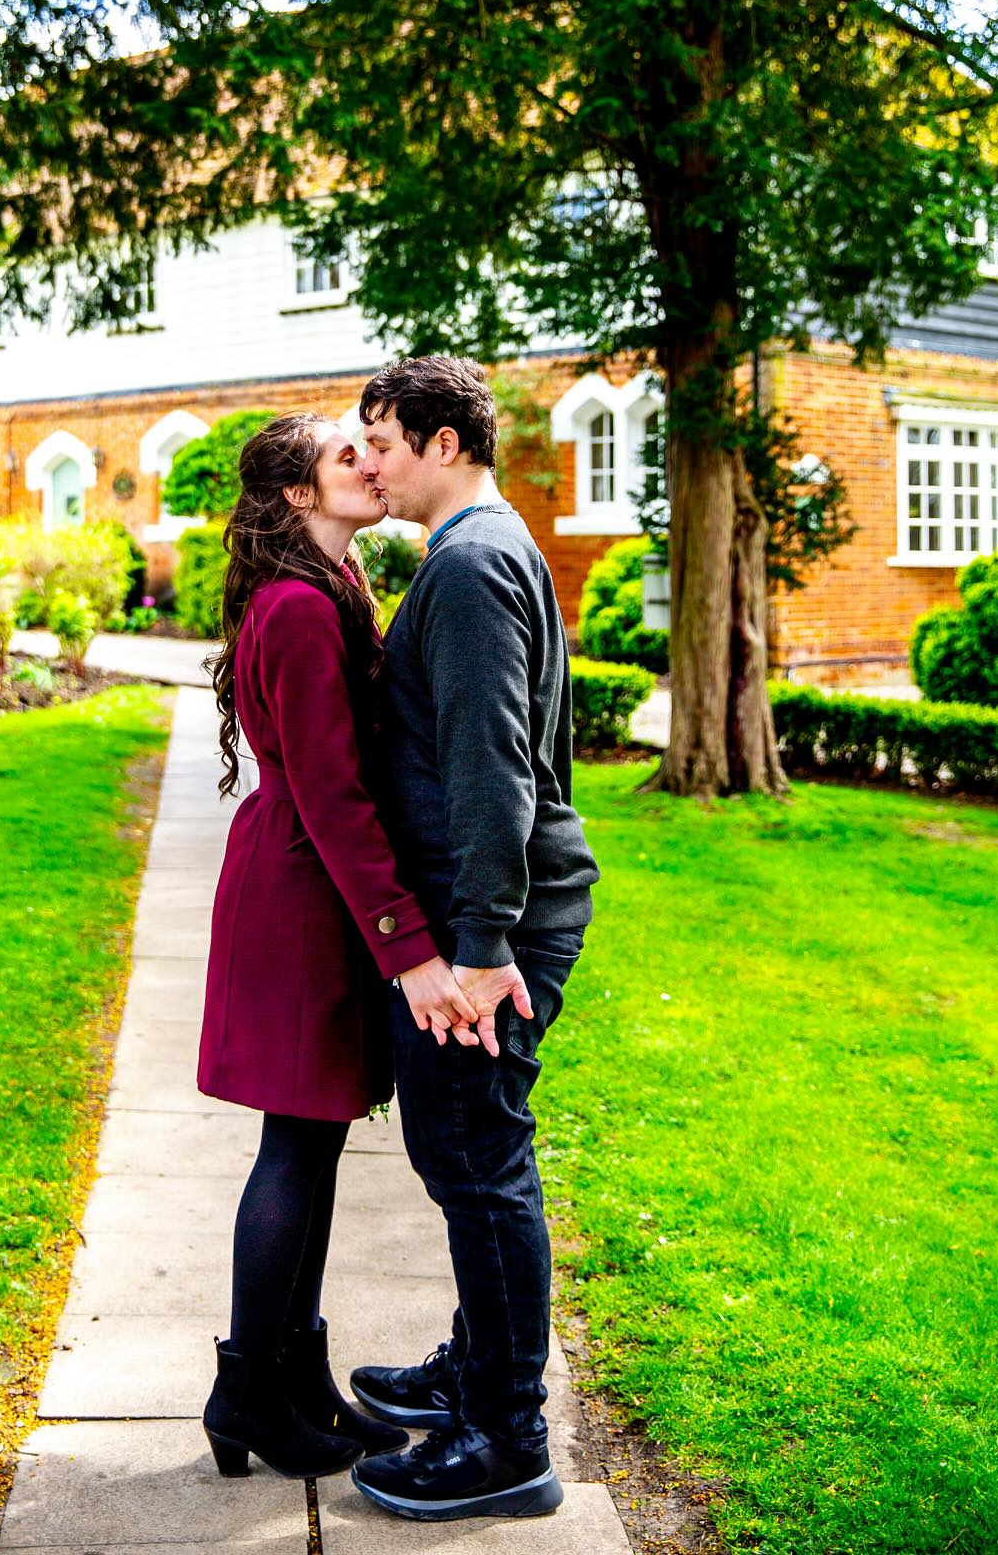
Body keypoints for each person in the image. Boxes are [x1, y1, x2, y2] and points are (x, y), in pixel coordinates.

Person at [196, 411, 482, 1482]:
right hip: (307, 895)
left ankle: (293, 1375)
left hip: (310, 887)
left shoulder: (328, 589)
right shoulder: (301, 611)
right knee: (295, 1145)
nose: (371, 464)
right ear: (298, 498)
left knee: (309, 1144)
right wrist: (405, 941)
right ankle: (243, 1392)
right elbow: (333, 796)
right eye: (345, 457)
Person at [347, 354, 602, 1523]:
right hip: (475, 912)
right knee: (468, 1161)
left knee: (476, 1164)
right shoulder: (483, 550)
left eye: (386, 441)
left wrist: (483, 943)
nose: (374, 464)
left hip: (480, 925)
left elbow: (494, 766)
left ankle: (507, 1438)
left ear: (445, 441)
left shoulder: (471, 563)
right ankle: (475, 1374)